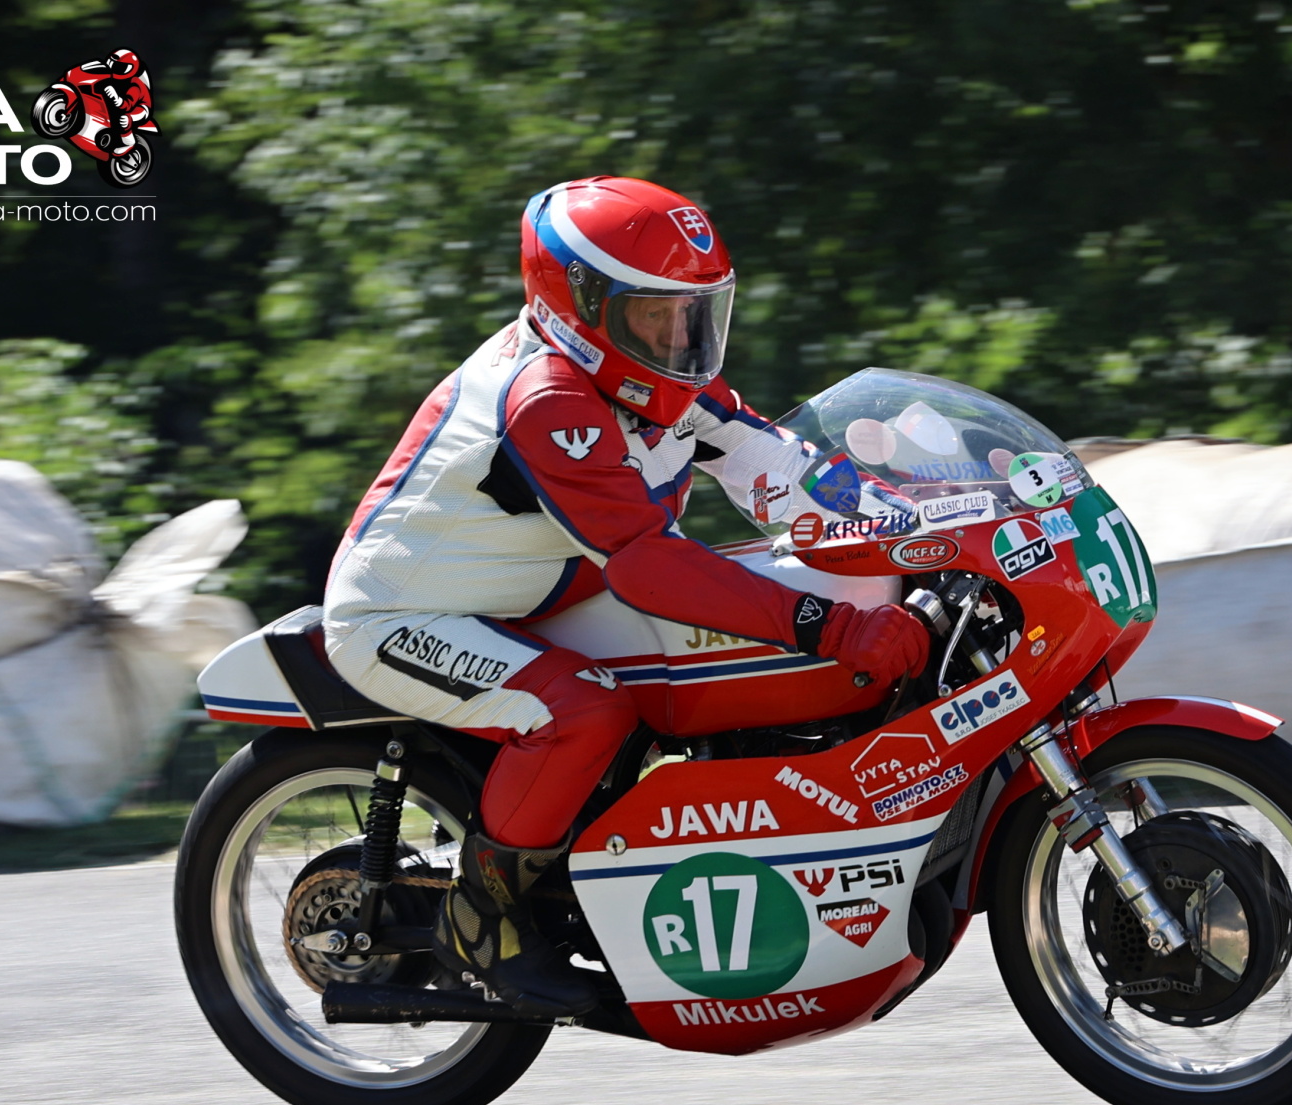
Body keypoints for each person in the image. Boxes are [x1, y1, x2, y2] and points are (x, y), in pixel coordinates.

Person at [324, 176, 931, 1016]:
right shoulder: (550, 399)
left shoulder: (657, 378)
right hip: (400, 614)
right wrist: (826, 625)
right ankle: (482, 921)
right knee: (585, 711)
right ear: (582, 306)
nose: (682, 339)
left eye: (696, 314)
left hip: (536, 590)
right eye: (656, 315)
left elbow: (781, 469)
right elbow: (648, 564)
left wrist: (918, 527)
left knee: (694, 669)